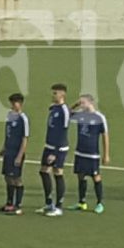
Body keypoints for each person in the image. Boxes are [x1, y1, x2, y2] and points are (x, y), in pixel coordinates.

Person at [71, 94, 109, 213]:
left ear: (90, 103)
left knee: (95, 177)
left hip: (92, 154)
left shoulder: (99, 117)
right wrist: (75, 104)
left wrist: (106, 154)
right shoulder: (80, 115)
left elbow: (105, 136)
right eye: (80, 103)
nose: (81, 105)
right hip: (80, 152)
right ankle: (82, 202)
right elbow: (67, 113)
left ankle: (99, 203)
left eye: (83, 103)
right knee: (80, 176)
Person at [39, 83, 71, 216]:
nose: (53, 95)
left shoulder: (63, 111)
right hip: (49, 145)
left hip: (58, 148)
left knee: (57, 172)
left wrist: (55, 152)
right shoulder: (54, 108)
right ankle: (48, 203)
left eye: (55, 93)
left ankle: (58, 206)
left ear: (62, 94)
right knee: (43, 171)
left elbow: (62, 132)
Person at [0, 92, 29, 214]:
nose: (12, 105)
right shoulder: (10, 116)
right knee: (7, 177)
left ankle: (18, 205)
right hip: (9, 152)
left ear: (20, 104)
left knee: (16, 178)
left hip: (17, 153)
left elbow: (25, 138)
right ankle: (9, 203)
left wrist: (20, 155)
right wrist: (4, 147)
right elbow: (8, 134)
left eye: (14, 103)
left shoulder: (23, 118)